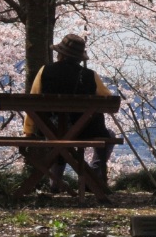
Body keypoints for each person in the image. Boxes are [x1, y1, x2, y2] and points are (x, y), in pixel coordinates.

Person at [23, 33, 115, 192]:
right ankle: (91, 177)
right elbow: (107, 99)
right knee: (110, 135)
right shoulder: (90, 76)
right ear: (80, 58)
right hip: (85, 132)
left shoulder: (45, 71)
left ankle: (55, 183)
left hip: (50, 130)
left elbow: (33, 100)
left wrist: (29, 130)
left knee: (60, 139)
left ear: (60, 54)